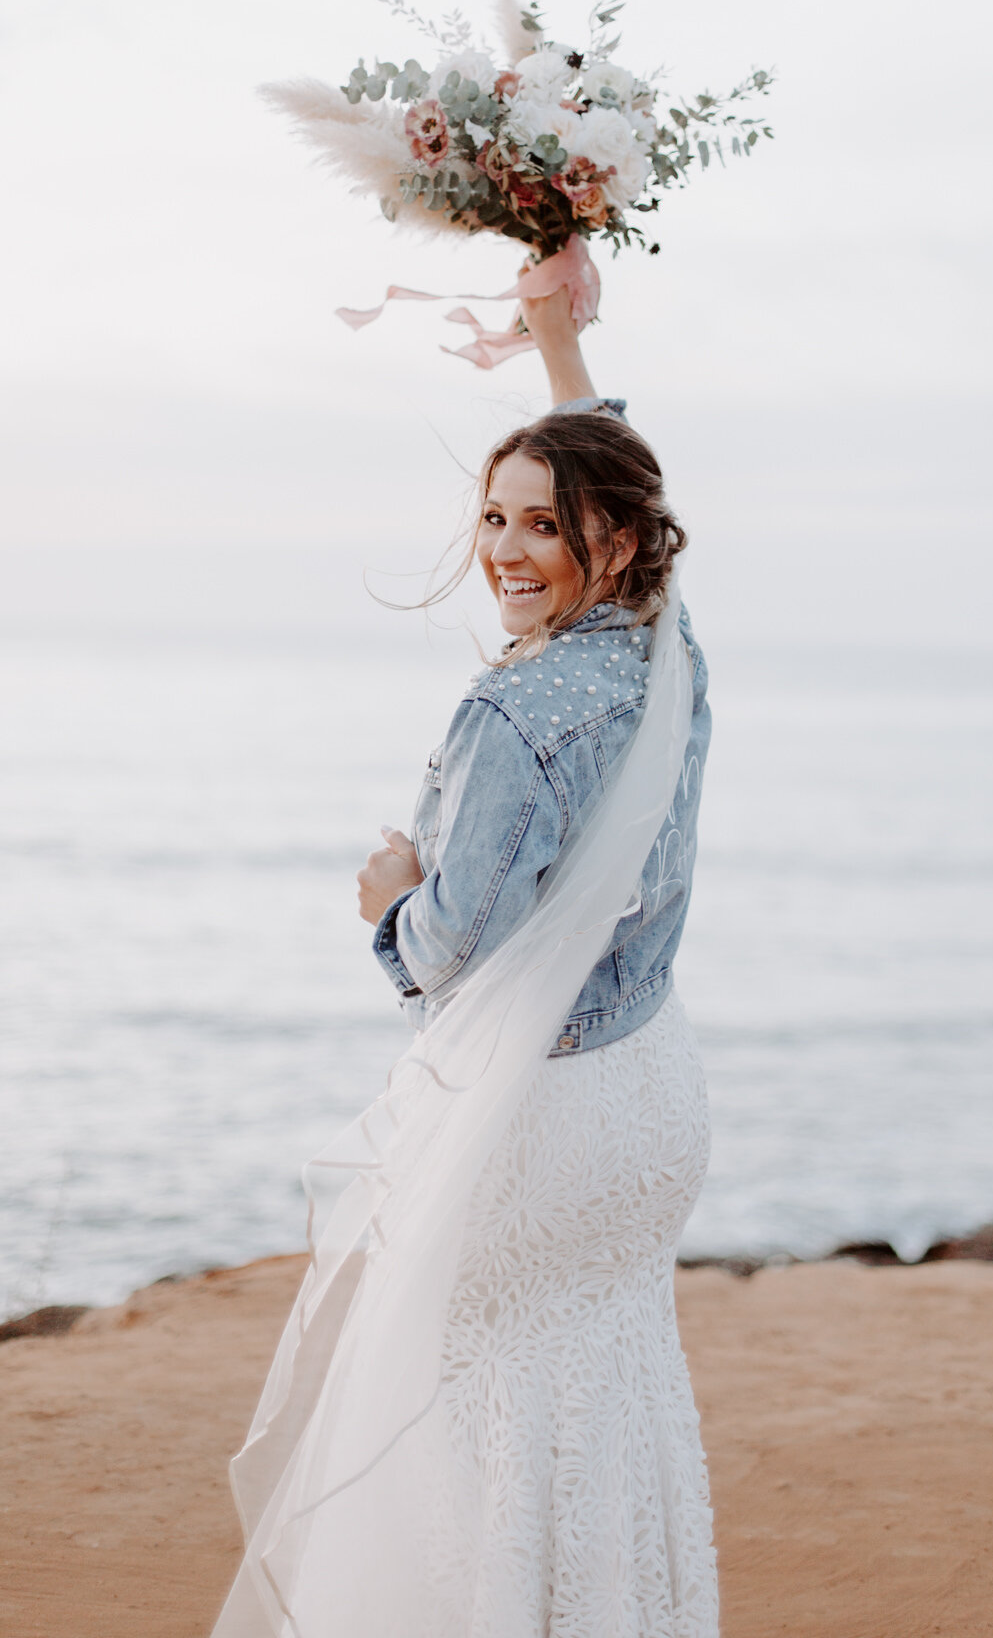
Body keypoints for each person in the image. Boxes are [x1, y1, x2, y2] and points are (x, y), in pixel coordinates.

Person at [213, 287, 717, 1638]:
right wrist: (562, 335)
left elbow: (450, 957)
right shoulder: (668, 648)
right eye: (492, 515)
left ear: (610, 541)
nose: (504, 547)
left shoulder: (515, 709)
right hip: (650, 1099)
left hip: (538, 1117)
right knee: (606, 1389)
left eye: (540, 523)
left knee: (474, 1408)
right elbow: (615, 460)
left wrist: (389, 904)